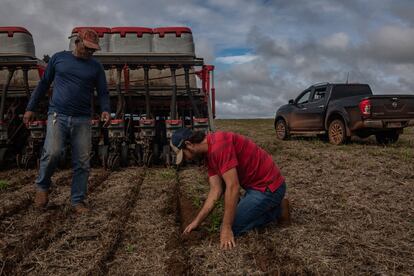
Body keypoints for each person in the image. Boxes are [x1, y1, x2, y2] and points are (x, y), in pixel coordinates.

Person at [23, 29, 111, 214]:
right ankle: (42, 187)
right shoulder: (59, 59)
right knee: (52, 153)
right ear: (77, 42)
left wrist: (105, 110)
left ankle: (77, 201)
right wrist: (30, 108)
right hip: (58, 115)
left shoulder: (96, 67)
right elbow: (44, 84)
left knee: (82, 162)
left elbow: (103, 92)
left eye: (93, 50)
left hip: (83, 119)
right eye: (87, 48)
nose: (90, 53)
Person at [171, 128, 290, 250]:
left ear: (189, 144)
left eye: (184, 154)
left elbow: (233, 187)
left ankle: (279, 210)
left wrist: (226, 228)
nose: (186, 159)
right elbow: (216, 190)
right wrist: (197, 221)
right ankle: (255, 207)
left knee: (233, 227)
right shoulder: (209, 154)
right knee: (229, 216)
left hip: (269, 187)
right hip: (254, 188)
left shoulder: (219, 146)